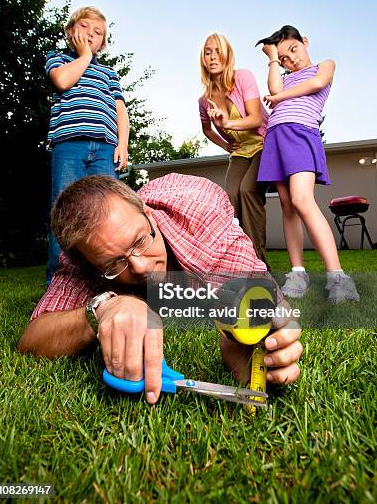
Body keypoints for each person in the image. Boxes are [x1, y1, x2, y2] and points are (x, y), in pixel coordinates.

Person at [18, 173, 303, 405]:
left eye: (140, 241)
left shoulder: (203, 220)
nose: (141, 267)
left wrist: (266, 341)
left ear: (149, 215)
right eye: (114, 263)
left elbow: (266, 298)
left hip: (193, 196)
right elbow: (32, 339)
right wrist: (101, 308)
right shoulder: (81, 257)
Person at [255, 25, 359, 304]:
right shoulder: (285, 78)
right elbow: (274, 87)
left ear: (305, 42)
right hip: (276, 137)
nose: (291, 59)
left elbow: (315, 85)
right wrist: (272, 59)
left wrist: (279, 99)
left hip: (301, 133)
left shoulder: (324, 66)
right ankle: (298, 273)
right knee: (288, 206)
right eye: (284, 58)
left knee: (302, 200)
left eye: (293, 49)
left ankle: (338, 277)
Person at [45, 6, 130, 285]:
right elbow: (62, 81)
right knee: (65, 210)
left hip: (105, 148)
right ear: (71, 32)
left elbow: (120, 110)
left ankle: (104, 279)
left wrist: (123, 144)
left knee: (105, 211)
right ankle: (59, 281)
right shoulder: (58, 59)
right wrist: (84, 56)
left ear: (103, 43)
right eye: (84, 28)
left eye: (97, 33)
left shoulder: (108, 74)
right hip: (69, 145)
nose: (90, 35)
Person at [198, 33, 269, 264]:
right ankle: (237, 258)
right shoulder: (204, 100)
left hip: (263, 144)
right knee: (229, 197)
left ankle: (259, 261)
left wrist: (226, 123)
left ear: (227, 55)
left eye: (218, 51)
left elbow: (256, 119)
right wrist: (226, 145)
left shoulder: (243, 77)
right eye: (208, 52)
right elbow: (207, 129)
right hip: (240, 151)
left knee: (248, 189)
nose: (213, 56)